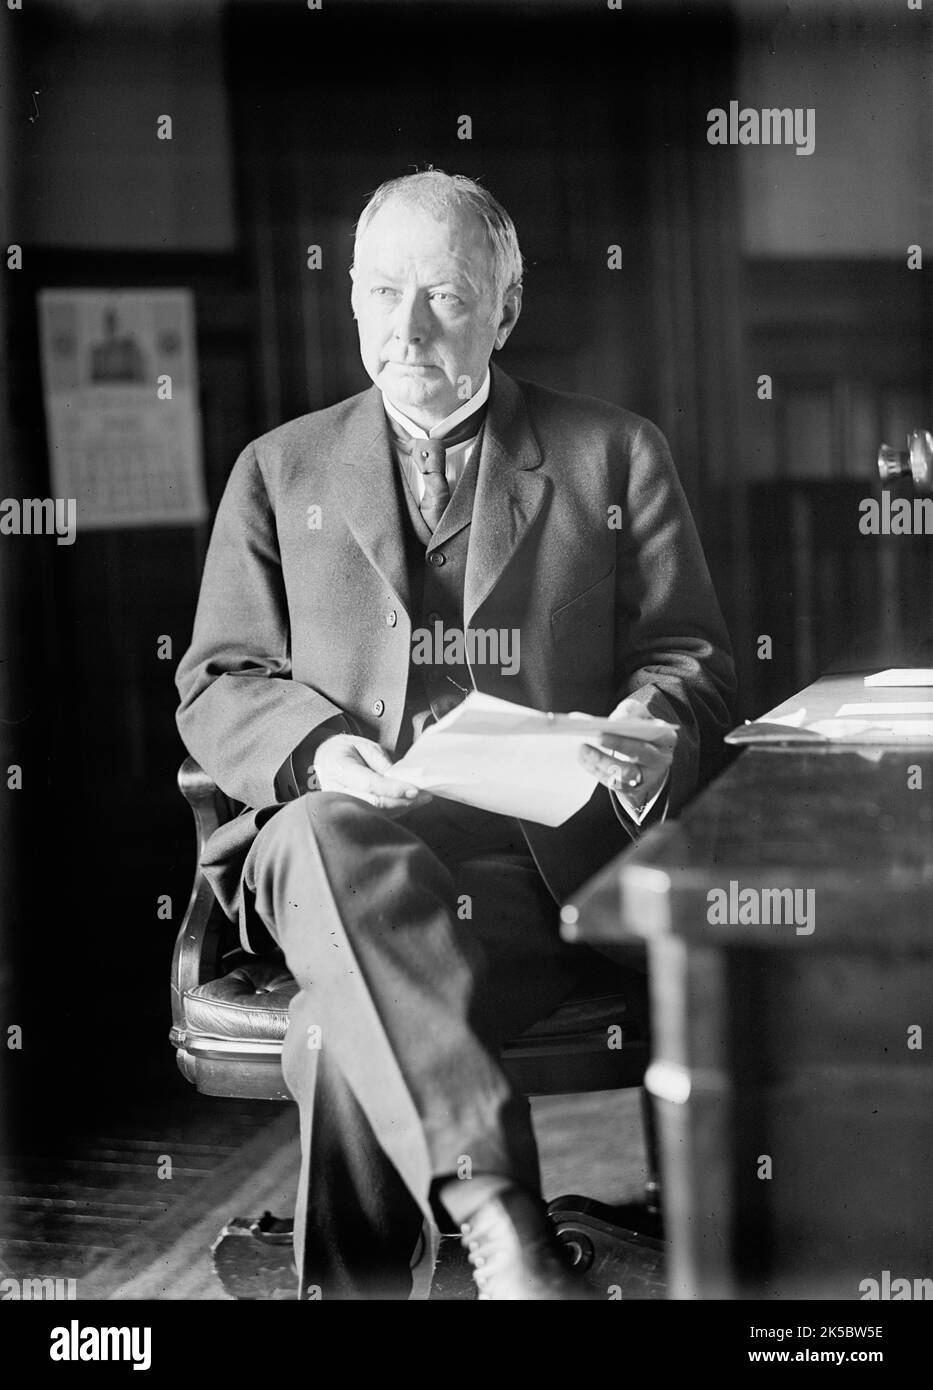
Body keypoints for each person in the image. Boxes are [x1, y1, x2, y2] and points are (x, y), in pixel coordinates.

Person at [175, 170, 736, 1300]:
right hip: (320, 854)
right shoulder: (278, 470)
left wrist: (646, 723)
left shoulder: (613, 455)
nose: (408, 325)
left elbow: (694, 660)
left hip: (528, 870)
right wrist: (325, 752)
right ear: (348, 301)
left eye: (445, 295)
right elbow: (218, 678)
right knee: (334, 833)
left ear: (505, 307)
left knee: (341, 1041)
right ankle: (507, 1234)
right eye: (382, 292)